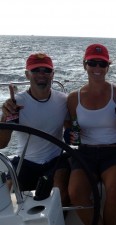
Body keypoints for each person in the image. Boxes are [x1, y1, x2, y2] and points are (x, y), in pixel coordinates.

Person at [67, 43, 116, 225]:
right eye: (92, 63)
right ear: (85, 65)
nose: (97, 68)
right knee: (75, 193)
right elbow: (71, 128)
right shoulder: (74, 98)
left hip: (115, 151)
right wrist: (71, 134)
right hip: (85, 152)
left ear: (107, 67)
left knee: (114, 188)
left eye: (102, 64)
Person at [0, 53, 70, 206]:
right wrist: (5, 117)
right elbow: (2, 144)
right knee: (11, 198)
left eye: (46, 70)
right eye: (36, 70)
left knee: (60, 193)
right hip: (26, 161)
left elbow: (71, 132)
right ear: (27, 74)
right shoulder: (15, 103)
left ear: (53, 74)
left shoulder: (63, 100)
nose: (41, 74)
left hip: (55, 160)